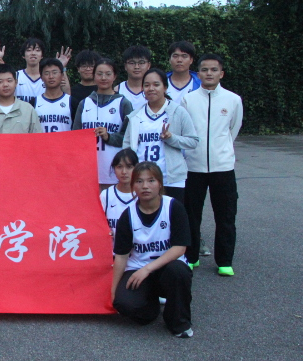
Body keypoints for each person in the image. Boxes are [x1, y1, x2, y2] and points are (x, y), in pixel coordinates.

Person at [111, 162, 193, 338]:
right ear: (133, 186)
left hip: (167, 268)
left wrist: (148, 269)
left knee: (178, 272)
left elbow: (180, 248)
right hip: (138, 268)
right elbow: (121, 256)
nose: (145, 186)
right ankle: (151, 306)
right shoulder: (128, 215)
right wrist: (113, 293)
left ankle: (179, 323)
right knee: (125, 305)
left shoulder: (173, 207)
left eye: (151, 180)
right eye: (139, 181)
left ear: (160, 184)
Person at [182, 54, 243, 276]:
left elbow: (233, 129)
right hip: (193, 167)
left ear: (221, 73)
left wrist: (221, 150)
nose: (209, 73)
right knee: (191, 215)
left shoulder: (233, 99)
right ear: (198, 73)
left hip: (223, 168)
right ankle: (191, 257)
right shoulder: (188, 99)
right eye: (205, 69)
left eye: (214, 70)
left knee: (225, 215)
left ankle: (224, 261)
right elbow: (184, 130)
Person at [122, 68, 199, 203]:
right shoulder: (135, 116)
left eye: (156, 84)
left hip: (171, 179)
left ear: (165, 87)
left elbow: (193, 141)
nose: (151, 88)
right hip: (142, 179)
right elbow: (127, 148)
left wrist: (171, 138)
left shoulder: (178, 112)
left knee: (171, 214)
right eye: (147, 85)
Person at [72, 59, 132, 190]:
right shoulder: (84, 103)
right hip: (87, 171)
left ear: (114, 76)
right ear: (94, 76)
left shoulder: (123, 103)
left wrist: (109, 137)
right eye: (99, 74)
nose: (103, 78)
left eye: (108, 74)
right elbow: (74, 137)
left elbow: (129, 138)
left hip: (113, 171)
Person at [0, 38, 72, 103]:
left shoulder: (48, 77)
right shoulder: (15, 76)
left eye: (37, 50)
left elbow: (67, 95)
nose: (33, 53)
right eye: (29, 50)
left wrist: (61, 67)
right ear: (23, 55)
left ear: (42, 55)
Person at [0, 64, 42, 135]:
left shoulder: (28, 109)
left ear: (16, 82)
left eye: (9, 81)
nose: (5, 85)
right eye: (0, 82)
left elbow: (37, 137)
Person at [100, 148, 139, 242]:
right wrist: (104, 232)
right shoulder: (106, 195)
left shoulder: (143, 194)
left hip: (137, 249)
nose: (124, 172)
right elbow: (97, 223)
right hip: (112, 249)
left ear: (136, 168)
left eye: (129, 167)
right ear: (114, 169)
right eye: (119, 167)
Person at [34, 58, 78, 133]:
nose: (51, 76)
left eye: (54, 73)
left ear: (62, 75)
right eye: (47, 73)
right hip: (41, 141)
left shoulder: (72, 102)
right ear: (41, 77)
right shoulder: (34, 102)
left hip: (65, 141)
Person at [116, 45, 152, 110]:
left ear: (148, 65)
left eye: (141, 62)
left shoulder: (154, 90)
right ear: (125, 66)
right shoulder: (117, 90)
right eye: (132, 63)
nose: (136, 67)